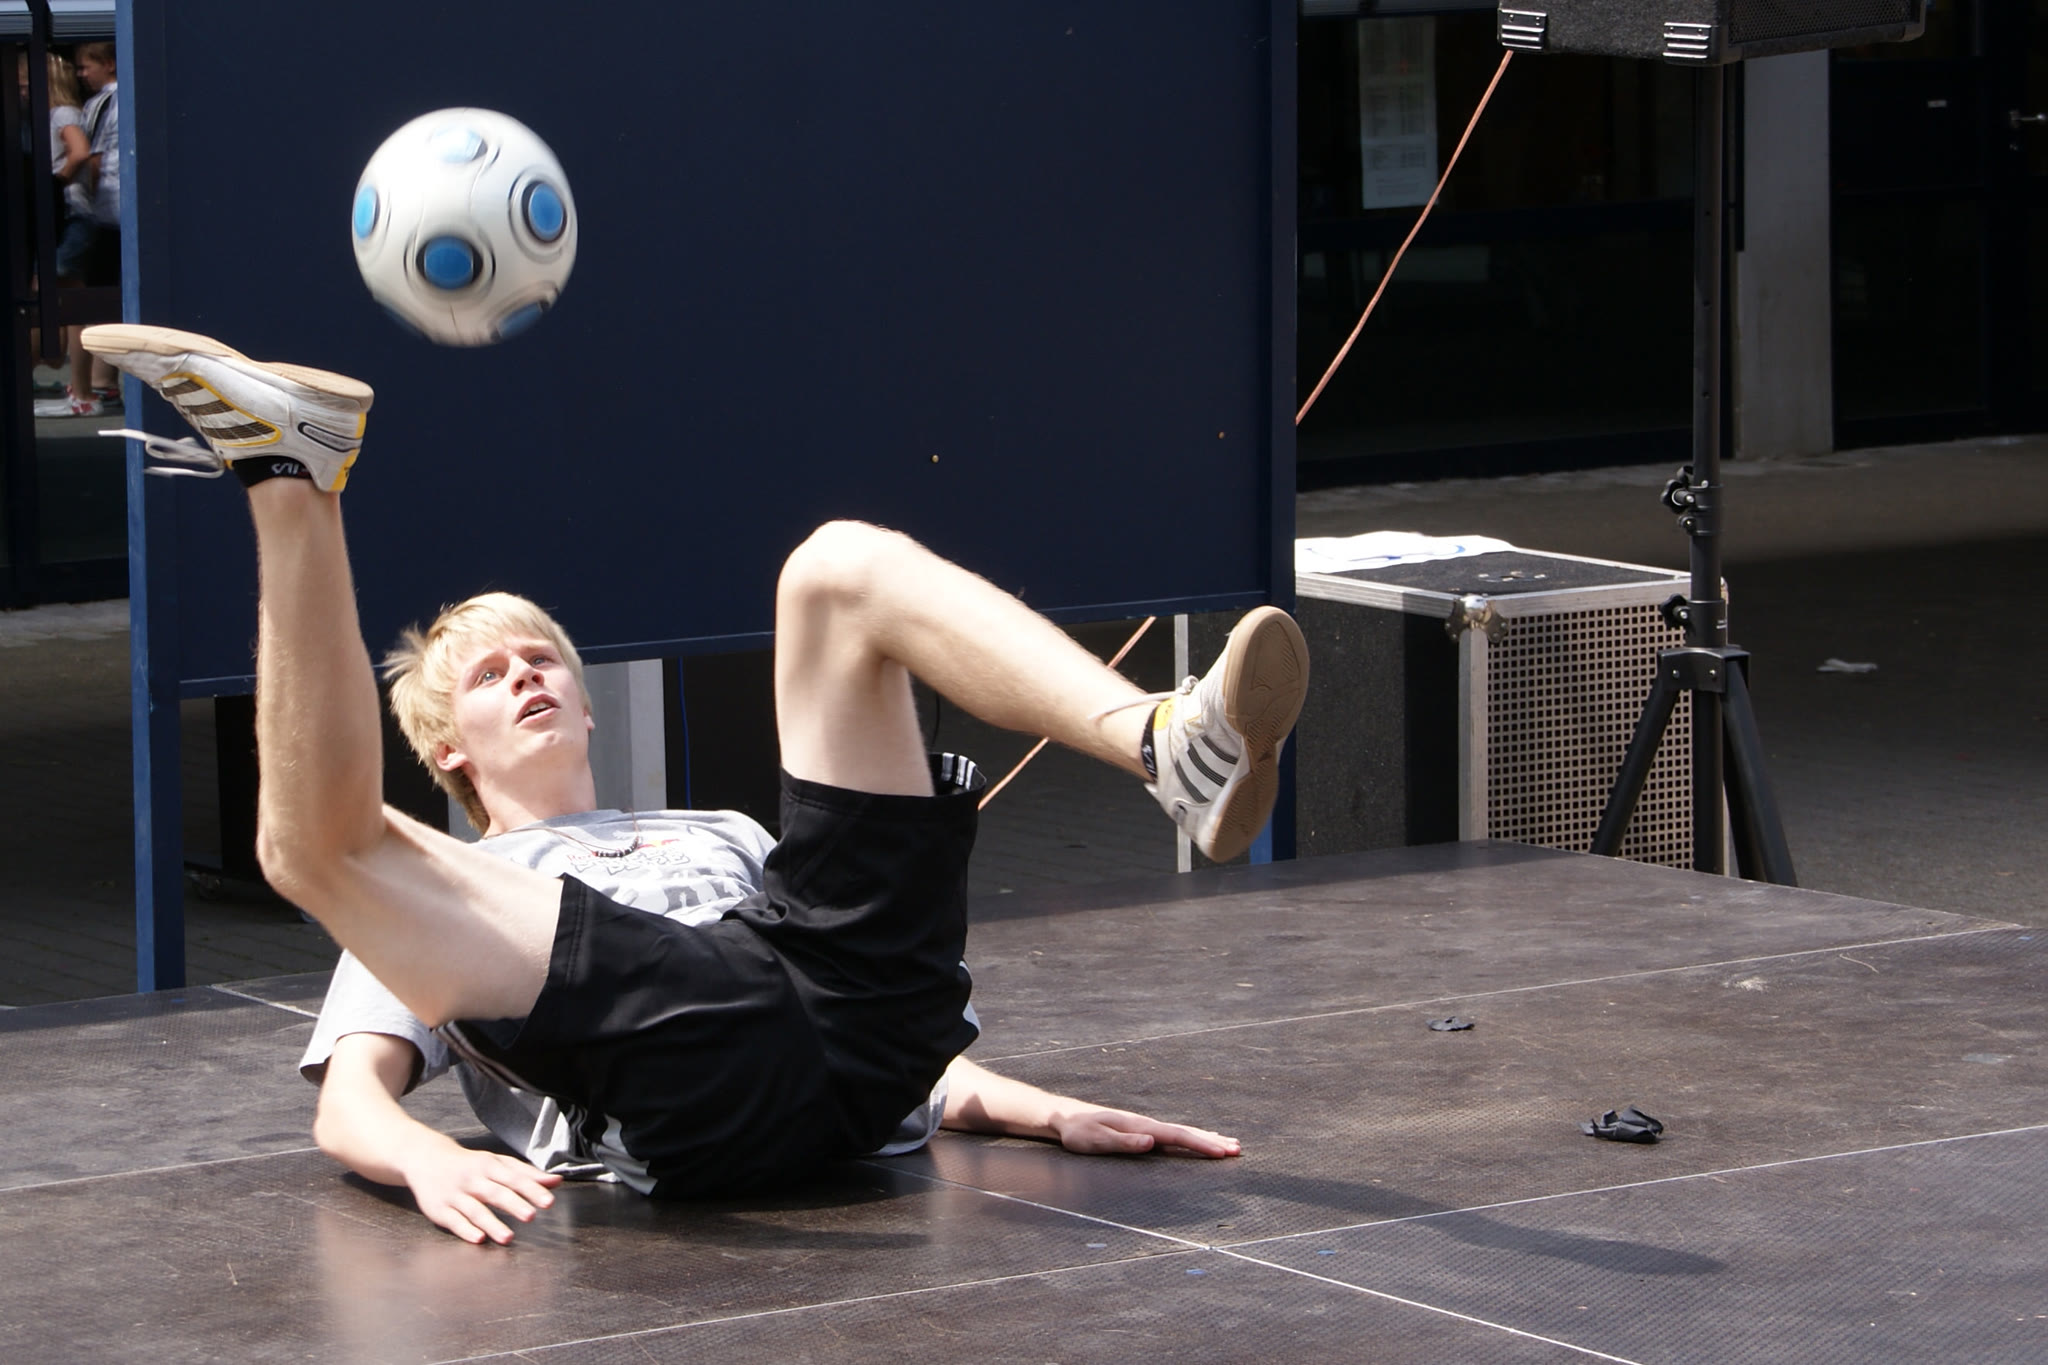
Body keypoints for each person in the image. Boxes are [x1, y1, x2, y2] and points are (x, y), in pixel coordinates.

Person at [86, 322, 1310, 1245]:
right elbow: (349, 1102)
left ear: (583, 698)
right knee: (312, 850)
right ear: (448, 748)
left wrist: (1033, 1110)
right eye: (490, 677)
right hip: (677, 1069)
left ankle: (1165, 745)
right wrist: (425, 1162)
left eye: (542, 660)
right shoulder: (458, 891)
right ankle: (290, 476)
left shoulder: (712, 827)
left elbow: (867, 1021)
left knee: (834, 566)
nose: (528, 678)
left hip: (855, 1023)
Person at [38, 42, 120, 418]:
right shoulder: (93, 105)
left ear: (109, 64)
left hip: (98, 213)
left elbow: (89, 157)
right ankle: (96, 384)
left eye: (86, 66)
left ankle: (84, 387)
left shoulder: (95, 105)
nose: (81, 74)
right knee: (93, 299)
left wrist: (60, 186)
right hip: (102, 213)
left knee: (72, 298)